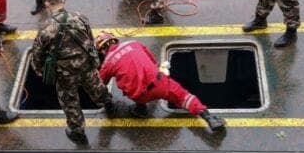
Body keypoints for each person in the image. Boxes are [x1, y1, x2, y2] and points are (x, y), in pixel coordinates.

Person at [31, 0, 113, 144]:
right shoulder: (80, 17)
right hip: (86, 66)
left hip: (65, 74)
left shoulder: (46, 29)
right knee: (97, 88)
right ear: (64, 0)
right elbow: (90, 40)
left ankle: (77, 131)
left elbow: (37, 55)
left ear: (47, 4)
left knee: (70, 102)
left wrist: (40, 71)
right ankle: (109, 106)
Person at [95, 32, 225, 131]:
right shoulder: (134, 43)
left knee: (127, 82)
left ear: (101, 50)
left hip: (139, 94)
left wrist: (108, 105)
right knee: (183, 96)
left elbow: (99, 86)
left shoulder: (107, 64)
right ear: (114, 40)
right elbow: (153, 61)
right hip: (159, 83)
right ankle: (208, 117)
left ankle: (141, 109)